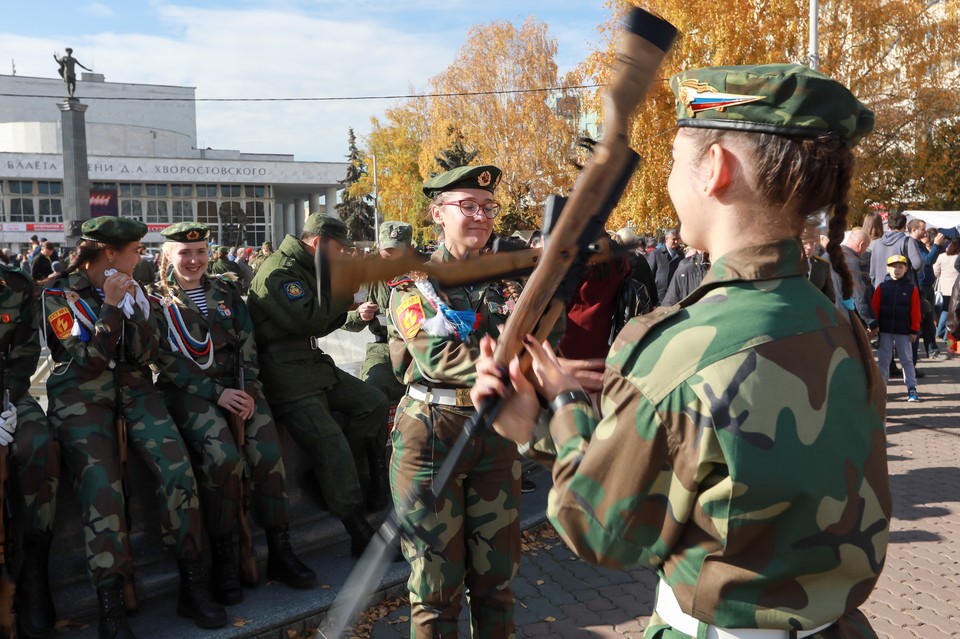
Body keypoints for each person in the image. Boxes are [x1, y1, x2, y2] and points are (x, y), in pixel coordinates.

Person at [473, 64, 890, 639]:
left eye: (673, 159)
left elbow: (602, 530)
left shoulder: (678, 348)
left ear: (715, 169)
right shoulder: (834, 320)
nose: (669, 178)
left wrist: (553, 415)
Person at [40, 216, 225, 638]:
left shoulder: (135, 290)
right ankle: (110, 605)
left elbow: (146, 353)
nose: (140, 258)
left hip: (136, 391)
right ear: (109, 253)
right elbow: (85, 362)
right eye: (135, 251)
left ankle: (193, 582)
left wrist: (133, 310)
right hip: (81, 398)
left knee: (178, 472)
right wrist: (108, 307)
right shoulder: (57, 296)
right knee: (102, 490)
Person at [387, 165, 530, 637]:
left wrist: (549, 291)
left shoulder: (512, 282)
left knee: (496, 583)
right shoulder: (413, 283)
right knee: (435, 591)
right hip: (432, 434)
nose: (481, 216)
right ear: (437, 214)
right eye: (467, 206)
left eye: (488, 207)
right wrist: (492, 366)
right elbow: (434, 354)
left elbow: (546, 338)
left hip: (495, 435)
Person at [149, 222, 316, 605]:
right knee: (222, 460)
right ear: (167, 256)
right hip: (190, 391)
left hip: (238, 386)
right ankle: (225, 561)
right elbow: (165, 360)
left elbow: (248, 343)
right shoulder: (157, 300)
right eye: (185, 253)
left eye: (200, 252)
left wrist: (248, 388)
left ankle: (280, 550)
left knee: (268, 456)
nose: (193, 260)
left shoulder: (225, 290)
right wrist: (216, 393)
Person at [247, 214, 389, 557]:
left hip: (312, 364)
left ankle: (324, 475)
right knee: (332, 445)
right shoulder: (278, 272)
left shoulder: (308, 267)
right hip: (285, 373)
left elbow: (324, 322)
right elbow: (310, 318)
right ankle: (359, 532)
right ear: (319, 244)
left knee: (374, 403)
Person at [0, 262, 61, 638]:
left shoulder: (15, 285)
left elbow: (22, 357)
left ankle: (34, 569)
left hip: (7, 396)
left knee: (39, 442)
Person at [341, 221, 415, 510]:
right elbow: (342, 322)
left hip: (420, 347)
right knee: (373, 393)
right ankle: (377, 477)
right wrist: (360, 314)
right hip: (384, 346)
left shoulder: (427, 272)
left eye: (397, 254)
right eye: (386, 253)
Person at [872, 253, 921, 401]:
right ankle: (882, 388)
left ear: (906, 269)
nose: (897, 270)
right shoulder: (881, 287)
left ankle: (911, 388)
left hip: (903, 331)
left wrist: (914, 329)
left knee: (907, 359)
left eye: (900, 267)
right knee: (883, 360)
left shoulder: (911, 289)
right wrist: (873, 326)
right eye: (893, 267)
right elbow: (875, 308)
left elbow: (915, 311)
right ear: (887, 268)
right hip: (884, 330)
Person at [934, 238, 960, 347]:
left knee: (946, 310)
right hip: (956, 287)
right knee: (953, 314)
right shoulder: (957, 257)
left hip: (944, 287)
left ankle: (939, 332)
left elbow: (935, 271)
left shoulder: (942, 256)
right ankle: (946, 337)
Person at [647, 228, 683, 302]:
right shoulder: (656, 254)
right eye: (674, 239)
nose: (676, 242)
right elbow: (649, 277)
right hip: (659, 297)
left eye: (678, 239)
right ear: (666, 238)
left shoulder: (681, 255)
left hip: (676, 296)